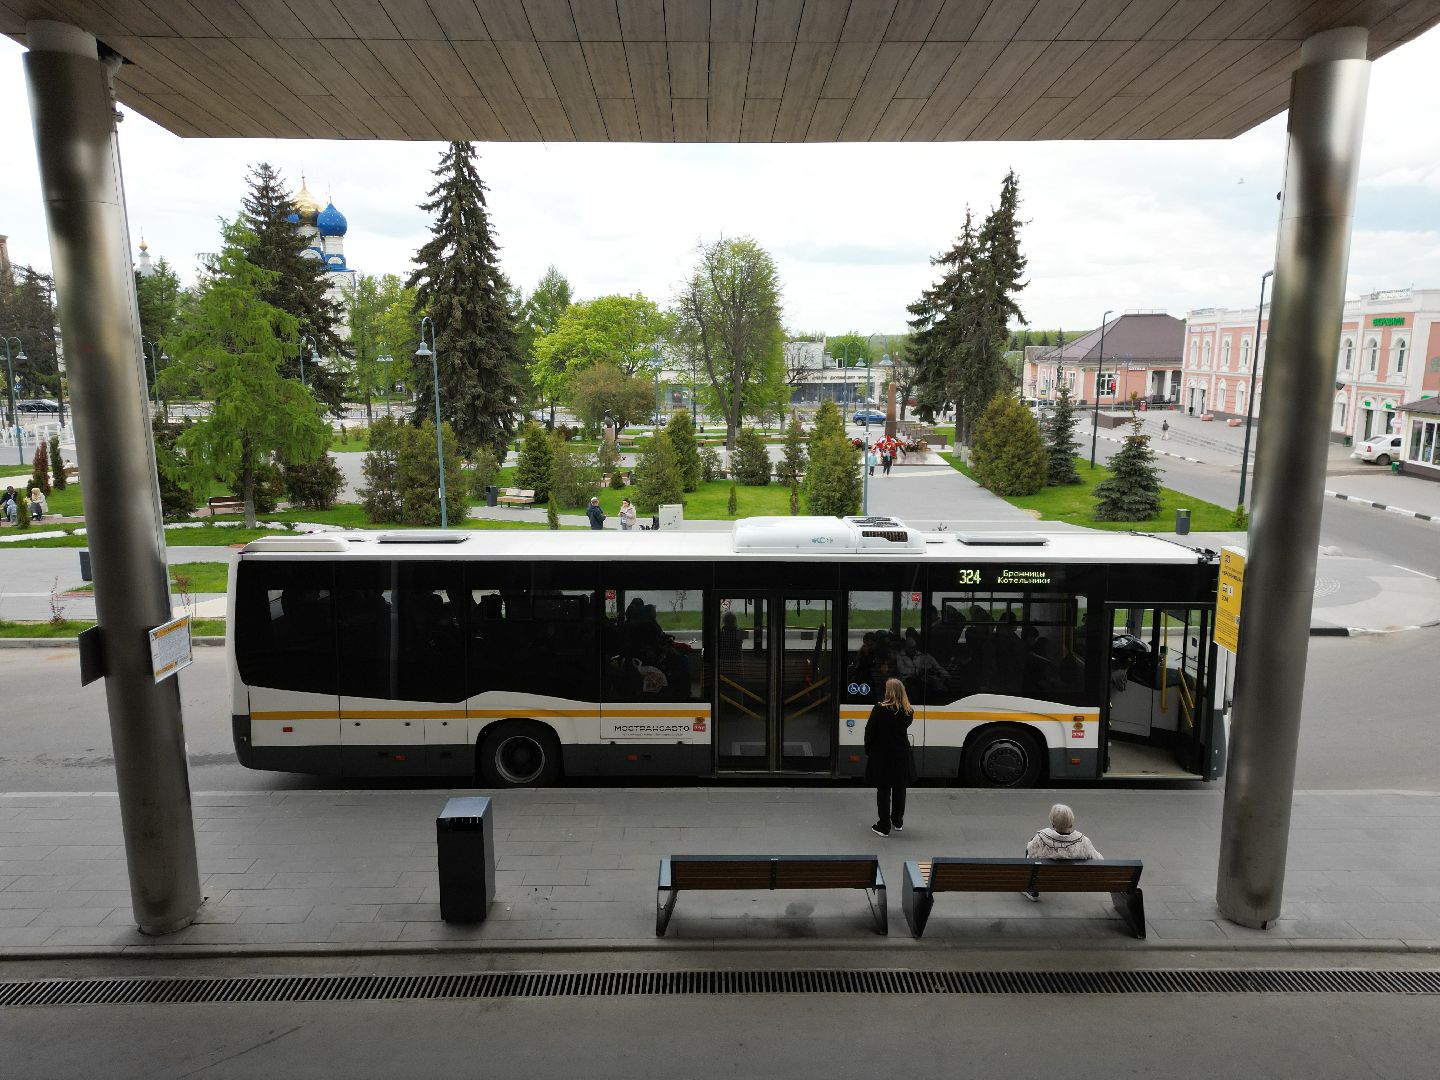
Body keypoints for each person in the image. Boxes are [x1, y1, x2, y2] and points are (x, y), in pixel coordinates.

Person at [865, 678, 915, 837]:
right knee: (900, 788)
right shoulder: (908, 711)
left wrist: (869, 750)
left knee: (884, 789)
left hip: (882, 755)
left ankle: (884, 825)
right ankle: (898, 821)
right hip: (902, 754)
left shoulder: (879, 709)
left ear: (889, 691)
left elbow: (869, 732)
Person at [1023, 803, 1103, 900]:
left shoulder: (1040, 838)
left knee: (1030, 847)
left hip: (1046, 877)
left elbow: (1031, 856)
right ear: (1071, 823)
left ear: (1052, 823)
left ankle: (1032, 890)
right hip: (1074, 880)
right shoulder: (1084, 841)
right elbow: (1099, 860)